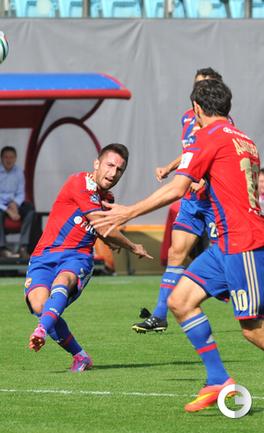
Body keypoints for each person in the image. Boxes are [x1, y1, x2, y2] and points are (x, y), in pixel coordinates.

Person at [91, 79, 264, 412]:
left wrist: (129, 211)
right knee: (180, 300)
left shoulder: (207, 136)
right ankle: (218, 380)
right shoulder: (244, 139)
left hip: (244, 243)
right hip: (226, 244)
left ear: (196, 108)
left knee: (253, 330)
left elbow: (177, 188)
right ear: (228, 107)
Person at [25, 143, 152, 372]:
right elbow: (101, 225)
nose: (113, 173)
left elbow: (99, 229)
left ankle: (41, 330)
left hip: (77, 257)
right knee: (39, 305)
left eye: (119, 170)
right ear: (97, 164)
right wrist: (132, 246)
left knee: (63, 281)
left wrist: (111, 241)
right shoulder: (80, 182)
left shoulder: (108, 199)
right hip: (44, 255)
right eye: (110, 165)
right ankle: (80, 356)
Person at [132, 68, 224, 334]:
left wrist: (204, 179)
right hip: (191, 200)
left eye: (207, 84)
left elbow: (217, 154)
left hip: (213, 200)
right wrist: (171, 167)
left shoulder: (221, 119)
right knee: (176, 253)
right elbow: (191, 152)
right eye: (198, 85)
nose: (201, 89)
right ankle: (159, 316)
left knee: (229, 257)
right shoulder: (187, 118)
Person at [0, 146, 35, 259]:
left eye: (11, 157)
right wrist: (7, 210)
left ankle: (23, 247)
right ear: (1, 158)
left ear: (15, 158)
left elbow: (21, 193)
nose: (9, 160)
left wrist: (15, 203)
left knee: (30, 211)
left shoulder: (19, 171)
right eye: (6, 157)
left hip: (11, 203)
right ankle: (1, 248)